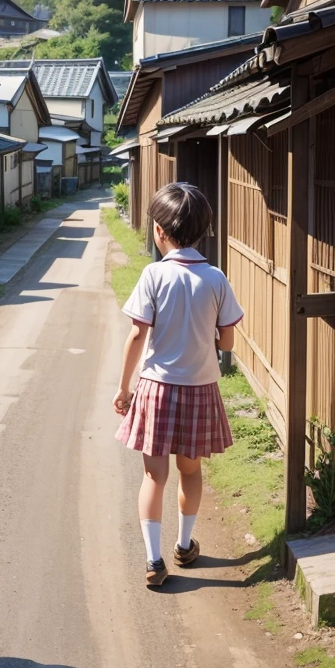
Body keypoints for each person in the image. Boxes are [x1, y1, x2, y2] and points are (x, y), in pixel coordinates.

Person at [114, 183, 243, 588]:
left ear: (159, 230)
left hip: (156, 388)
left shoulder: (154, 274)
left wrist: (123, 388)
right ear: (203, 231)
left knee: (154, 477)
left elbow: (138, 335)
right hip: (201, 388)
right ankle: (185, 546)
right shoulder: (216, 277)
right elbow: (227, 340)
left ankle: (153, 561)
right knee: (190, 472)